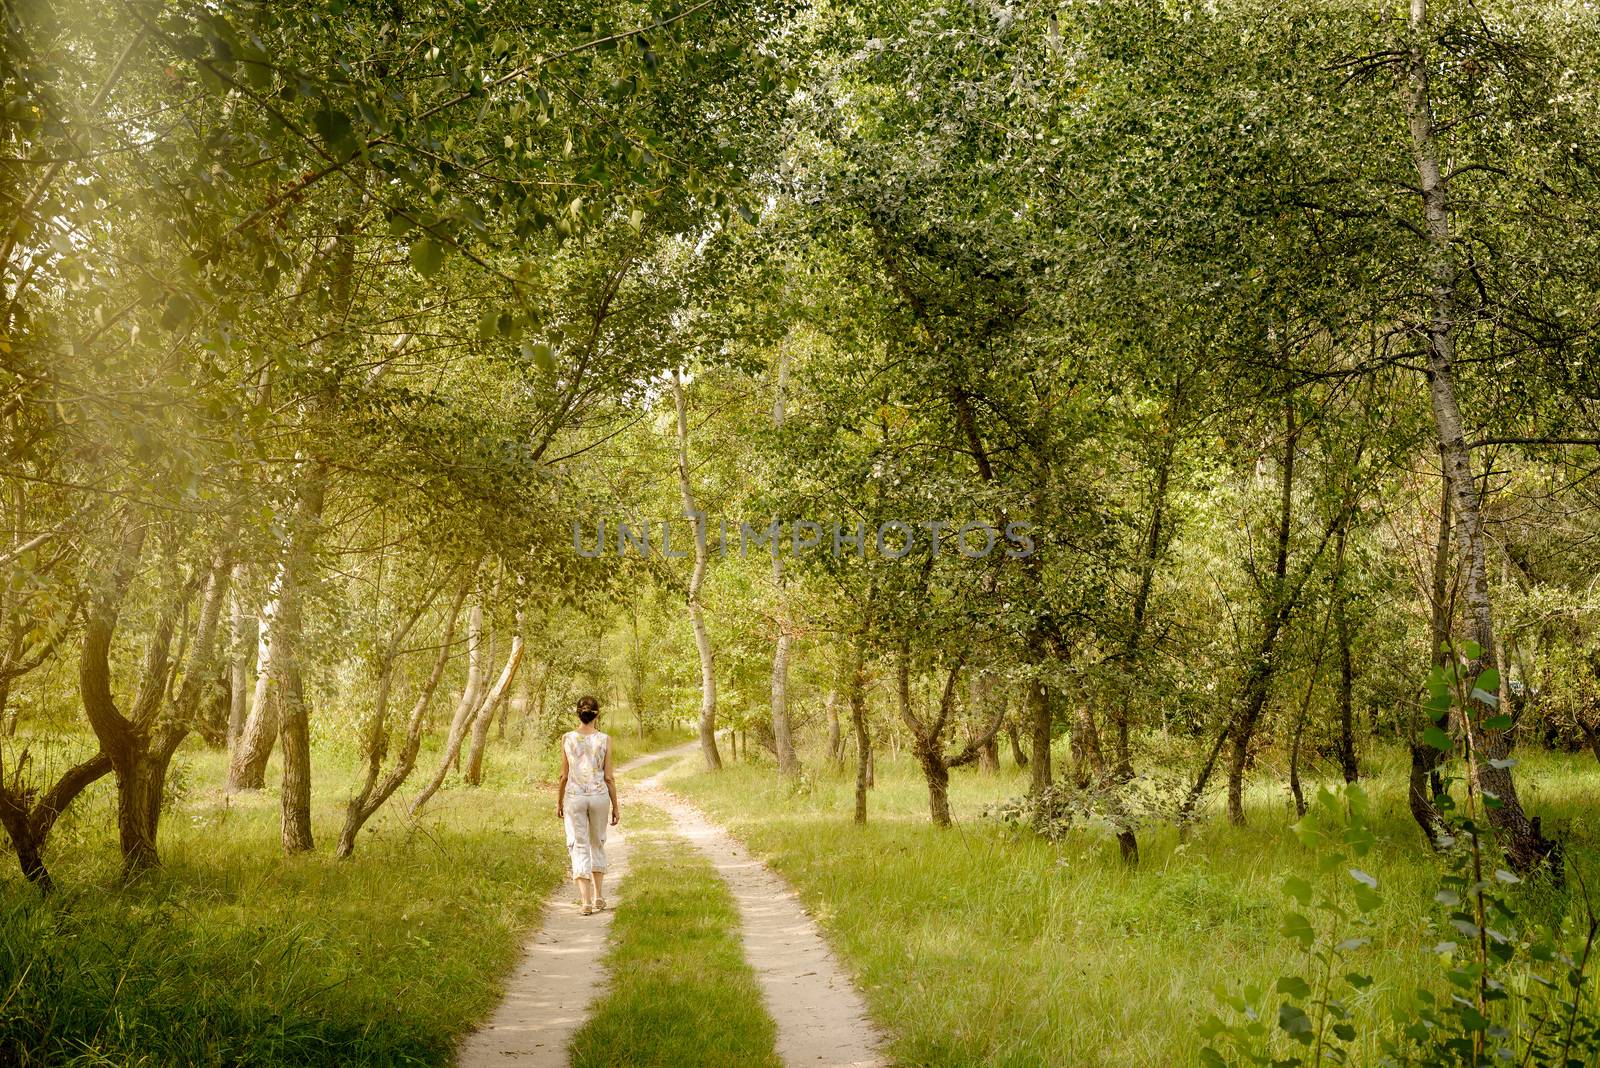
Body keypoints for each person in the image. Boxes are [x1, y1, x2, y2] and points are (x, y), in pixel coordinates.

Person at [557, 695, 619, 915]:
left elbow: (564, 775)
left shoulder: (567, 738)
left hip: (575, 797)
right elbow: (609, 776)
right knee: (597, 843)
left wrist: (559, 801)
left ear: (578, 713)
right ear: (597, 714)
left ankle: (585, 902)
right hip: (599, 796)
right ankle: (599, 896)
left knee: (579, 844)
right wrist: (615, 805)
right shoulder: (604, 739)